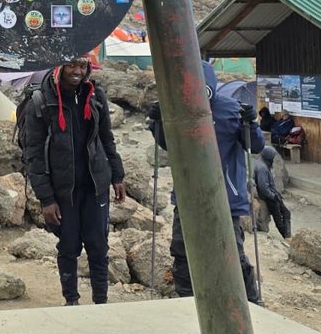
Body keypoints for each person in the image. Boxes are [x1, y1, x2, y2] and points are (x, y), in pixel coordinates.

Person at [148, 61, 264, 303]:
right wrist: (157, 124)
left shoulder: (231, 110)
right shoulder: (175, 109)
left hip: (225, 197)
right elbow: (168, 146)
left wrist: (250, 123)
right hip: (188, 195)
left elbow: (256, 146)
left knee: (232, 253)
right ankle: (187, 301)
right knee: (182, 251)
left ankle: (251, 302)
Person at [22, 56, 126, 305]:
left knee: (99, 246)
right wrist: (46, 199)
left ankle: (101, 302)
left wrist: (117, 175)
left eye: (83, 66)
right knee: (68, 246)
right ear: (59, 67)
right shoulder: (41, 102)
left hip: (95, 184)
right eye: (71, 65)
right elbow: (33, 155)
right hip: (62, 190)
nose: (77, 71)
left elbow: (106, 138)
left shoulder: (95, 95)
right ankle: (71, 301)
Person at [253, 145, 292, 239]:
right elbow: (263, 187)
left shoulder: (262, 164)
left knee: (285, 213)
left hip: (273, 195)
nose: (273, 160)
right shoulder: (262, 168)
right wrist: (273, 196)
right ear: (268, 157)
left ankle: (287, 234)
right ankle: (287, 236)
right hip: (270, 197)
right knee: (279, 217)